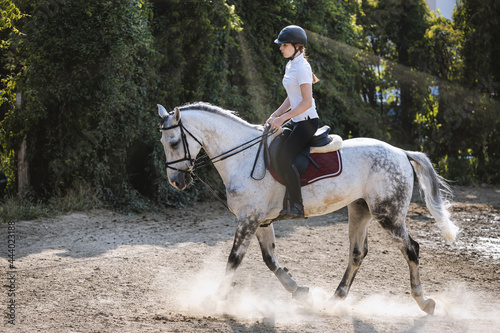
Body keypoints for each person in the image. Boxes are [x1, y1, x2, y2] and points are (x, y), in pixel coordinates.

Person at [265, 25, 319, 219]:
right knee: (274, 148)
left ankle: (297, 205)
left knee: (285, 158)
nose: (280, 48)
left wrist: (282, 118)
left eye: (284, 45)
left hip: (307, 122)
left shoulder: (303, 67)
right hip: (295, 120)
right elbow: (291, 96)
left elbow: (306, 102)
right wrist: (276, 114)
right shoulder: (290, 64)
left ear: (297, 46)